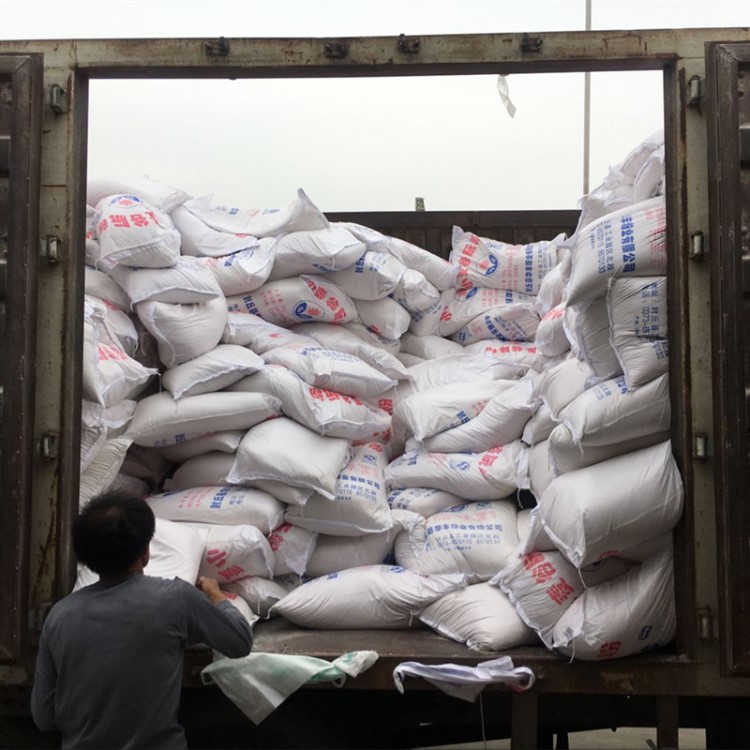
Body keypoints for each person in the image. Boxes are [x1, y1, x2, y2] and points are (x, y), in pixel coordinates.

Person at [30, 490, 253, 749]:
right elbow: (239, 641)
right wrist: (215, 594)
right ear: (145, 551)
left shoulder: (59, 616)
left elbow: (44, 718)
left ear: (85, 558)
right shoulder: (174, 599)